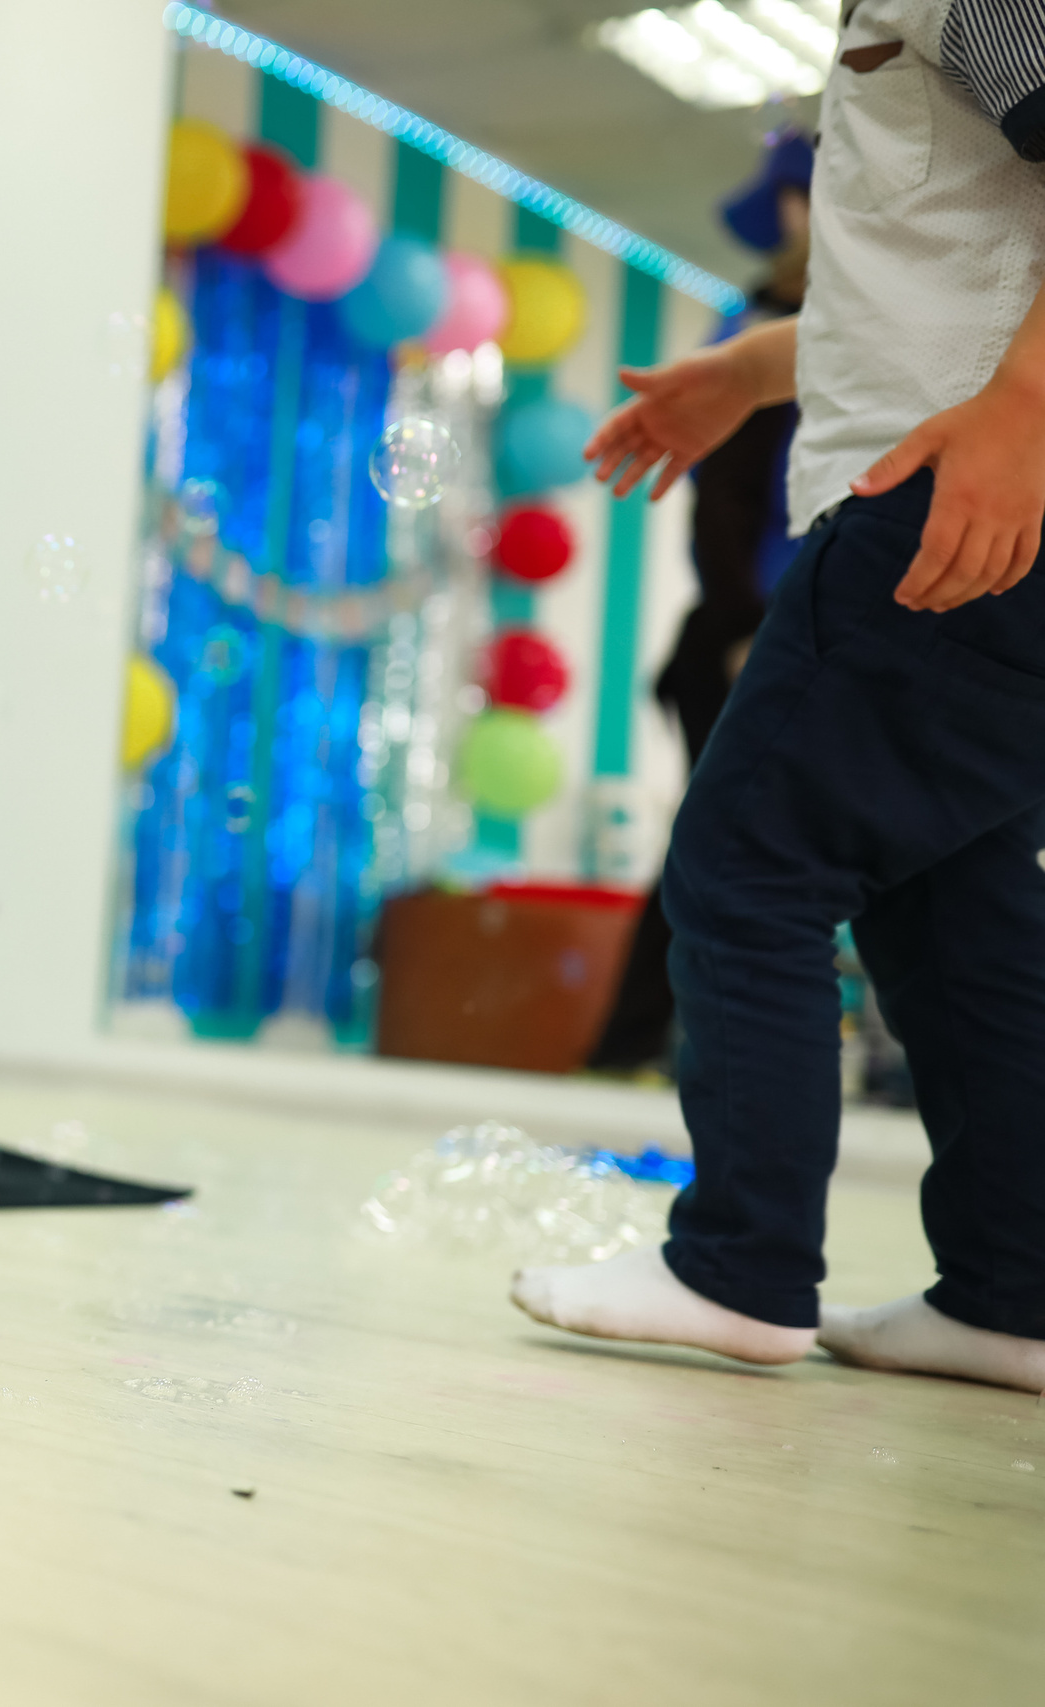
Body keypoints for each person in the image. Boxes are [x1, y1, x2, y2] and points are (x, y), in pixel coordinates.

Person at [512, 0, 1045, 1394]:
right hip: (983, 496)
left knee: (748, 860)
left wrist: (1023, 407)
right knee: (955, 914)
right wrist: (747, 373)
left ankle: (736, 1263)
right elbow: (950, 264)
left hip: (942, 495)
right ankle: (1015, 1289)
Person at [586, 134, 810, 1075]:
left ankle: (652, 1048)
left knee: (749, 852)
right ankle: (636, 1048)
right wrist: (747, 625)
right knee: (721, 850)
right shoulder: (756, 338)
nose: (798, 223)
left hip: (799, 628)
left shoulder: (831, 325)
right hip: (750, 635)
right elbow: (726, 504)